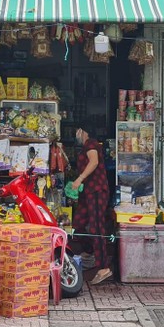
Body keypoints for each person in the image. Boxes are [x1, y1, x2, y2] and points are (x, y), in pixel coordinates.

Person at [71, 122, 112, 285]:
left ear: (82, 131)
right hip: (87, 193)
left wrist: (79, 178)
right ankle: (90, 252)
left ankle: (103, 268)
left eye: (77, 132)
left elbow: (93, 162)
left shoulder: (91, 144)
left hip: (97, 191)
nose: (76, 136)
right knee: (77, 225)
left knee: (97, 227)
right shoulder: (86, 146)